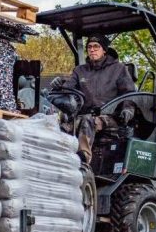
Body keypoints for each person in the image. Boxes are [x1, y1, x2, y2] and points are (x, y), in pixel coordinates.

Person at [51, 34, 136, 164]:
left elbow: (128, 93)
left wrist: (128, 111)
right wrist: (59, 84)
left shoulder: (118, 69)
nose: (92, 49)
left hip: (110, 117)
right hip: (84, 115)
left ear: (104, 50)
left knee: (87, 120)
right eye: (89, 47)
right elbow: (68, 87)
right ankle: (56, 160)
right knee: (62, 125)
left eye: (96, 46)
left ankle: (83, 159)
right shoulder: (80, 71)